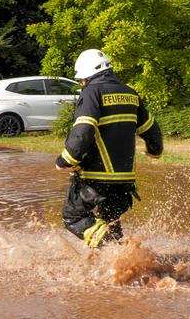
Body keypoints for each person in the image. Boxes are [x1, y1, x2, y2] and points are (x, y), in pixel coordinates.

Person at [55, 49, 163, 248]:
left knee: (74, 218)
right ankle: (122, 264)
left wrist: (66, 159)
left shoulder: (92, 92)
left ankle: (112, 250)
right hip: (125, 181)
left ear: (86, 77)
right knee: (110, 222)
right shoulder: (130, 93)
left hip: (96, 178)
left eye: (81, 80)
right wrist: (154, 150)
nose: (81, 84)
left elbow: (83, 131)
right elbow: (152, 130)